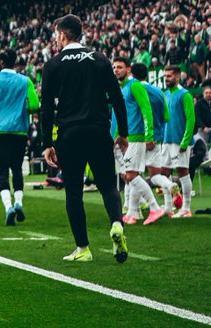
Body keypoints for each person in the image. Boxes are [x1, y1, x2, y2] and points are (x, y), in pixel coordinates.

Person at [40, 14, 130, 263]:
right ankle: (116, 224)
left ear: (62, 34)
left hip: (70, 134)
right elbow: (117, 98)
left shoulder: (53, 65)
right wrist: (122, 132)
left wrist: (47, 143)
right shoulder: (100, 58)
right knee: (108, 186)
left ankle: (83, 248)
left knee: (74, 193)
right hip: (99, 130)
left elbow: (46, 108)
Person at [0, 48, 39, 226]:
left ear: (1, 62)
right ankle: (19, 202)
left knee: (1, 172)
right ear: (15, 62)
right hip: (18, 130)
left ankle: (8, 207)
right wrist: (19, 109)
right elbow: (34, 105)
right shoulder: (25, 81)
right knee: (17, 169)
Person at [111, 58, 165, 225]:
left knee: (131, 175)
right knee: (132, 174)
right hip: (130, 137)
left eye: (120, 67)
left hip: (137, 137)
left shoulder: (135, 85)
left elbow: (146, 109)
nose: (116, 70)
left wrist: (149, 135)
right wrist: (119, 135)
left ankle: (155, 207)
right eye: (114, 67)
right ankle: (134, 213)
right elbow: (124, 115)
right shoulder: (123, 88)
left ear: (128, 69)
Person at [133, 63, 178, 216]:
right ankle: (169, 187)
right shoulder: (159, 92)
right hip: (157, 137)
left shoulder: (134, 89)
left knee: (133, 175)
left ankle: (136, 210)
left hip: (139, 136)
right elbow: (166, 117)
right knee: (155, 175)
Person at [162, 65, 196, 217]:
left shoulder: (185, 95)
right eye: (165, 76)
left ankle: (186, 208)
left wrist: (185, 141)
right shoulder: (166, 94)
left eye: (169, 76)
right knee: (163, 174)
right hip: (166, 140)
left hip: (179, 141)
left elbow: (191, 119)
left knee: (182, 172)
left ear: (177, 77)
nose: (166, 78)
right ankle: (169, 207)